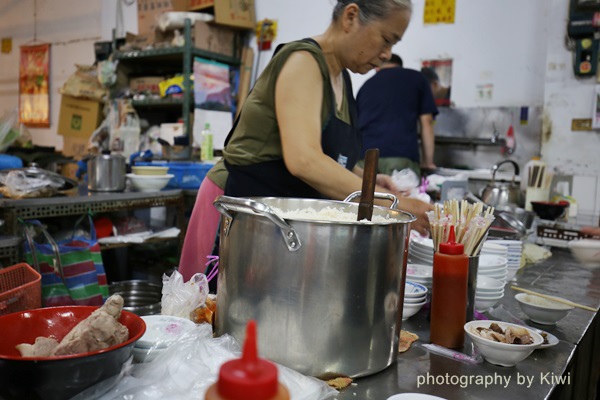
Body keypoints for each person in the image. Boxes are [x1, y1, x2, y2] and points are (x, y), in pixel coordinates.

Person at [179, 0, 433, 280]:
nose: (387, 54)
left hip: (277, 224)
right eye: (386, 39)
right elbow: (304, 160)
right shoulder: (303, 62)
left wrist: (370, 181)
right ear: (351, 17)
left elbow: (329, 155)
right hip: (236, 212)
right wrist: (395, 205)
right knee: (215, 313)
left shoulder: (342, 79)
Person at [356, 54, 438, 177]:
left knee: (366, 196)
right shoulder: (416, 78)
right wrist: (428, 163)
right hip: (399, 156)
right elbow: (426, 121)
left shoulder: (366, 85)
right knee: (399, 195)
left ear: (377, 67)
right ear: (400, 65)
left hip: (364, 159)